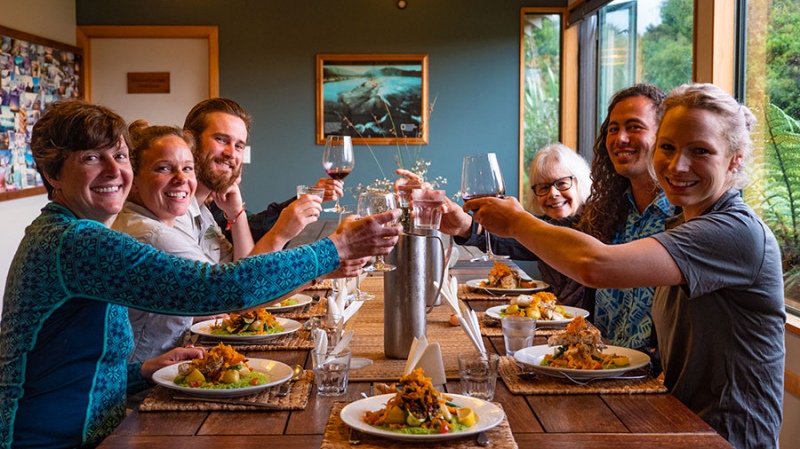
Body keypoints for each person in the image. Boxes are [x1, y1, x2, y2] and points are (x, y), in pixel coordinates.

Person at [0, 100, 400, 449]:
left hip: (95, 430)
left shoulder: (70, 233)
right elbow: (220, 287)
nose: (113, 171)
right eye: (91, 158)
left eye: (119, 156)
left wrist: (139, 372)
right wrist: (336, 249)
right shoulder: (75, 241)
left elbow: (69, 361)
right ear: (52, 174)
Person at [463, 83, 785, 448]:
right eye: (668, 147)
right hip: (675, 419)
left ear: (735, 159)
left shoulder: (733, 231)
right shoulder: (682, 223)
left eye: (700, 151)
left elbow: (596, 265)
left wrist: (519, 221)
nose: (677, 165)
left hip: (726, 437)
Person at [440, 85, 675, 353]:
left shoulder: (683, 217)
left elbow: (591, 263)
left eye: (634, 127)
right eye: (612, 128)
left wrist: (515, 222)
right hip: (602, 360)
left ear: (664, 135)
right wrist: (466, 226)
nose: (620, 138)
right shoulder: (611, 210)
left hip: (654, 376)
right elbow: (543, 239)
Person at [112, 121, 328, 363]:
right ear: (133, 181)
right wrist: (326, 260)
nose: (181, 179)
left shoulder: (181, 216)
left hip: (174, 359)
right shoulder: (152, 235)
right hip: (145, 382)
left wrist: (237, 214)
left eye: (187, 168)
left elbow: (238, 273)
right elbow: (235, 291)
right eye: (163, 168)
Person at [180, 97, 342, 244]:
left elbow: (248, 244)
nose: (231, 153)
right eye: (221, 139)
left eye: (238, 146)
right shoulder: (173, 212)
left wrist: (306, 199)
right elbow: (239, 274)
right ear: (190, 140)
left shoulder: (212, 205)